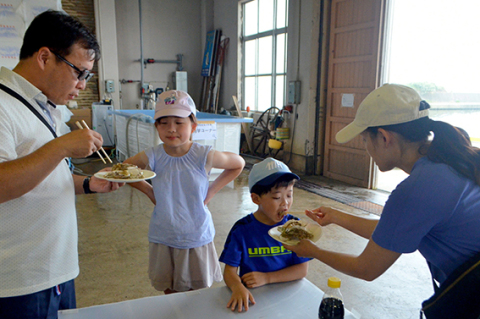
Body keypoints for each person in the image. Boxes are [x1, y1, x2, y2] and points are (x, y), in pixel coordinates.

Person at [285, 84, 480, 314]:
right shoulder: (446, 161)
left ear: (384, 137)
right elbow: (394, 230)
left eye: (365, 140)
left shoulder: (416, 190)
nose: (366, 148)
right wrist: (337, 216)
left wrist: (312, 251)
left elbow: (366, 268)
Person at [0, 10, 125, 319]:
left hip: (57, 269)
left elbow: (43, 175)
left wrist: (88, 184)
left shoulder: (46, 105)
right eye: (78, 72)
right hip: (19, 280)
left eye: (88, 76)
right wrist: (61, 147)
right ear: (44, 57)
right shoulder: (3, 105)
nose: (82, 85)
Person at [123, 90, 245, 294]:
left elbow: (238, 164)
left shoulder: (203, 155)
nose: (171, 129)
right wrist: (149, 191)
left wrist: (212, 191)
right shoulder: (153, 155)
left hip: (195, 234)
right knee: (169, 290)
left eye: (179, 122)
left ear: (193, 126)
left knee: (196, 291)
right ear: (156, 127)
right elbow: (126, 170)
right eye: (164, 122)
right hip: (164, 234)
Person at [219, 157, 311, 312]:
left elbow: (302, 270)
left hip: (287, 297)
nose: (285, 203)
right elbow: (229, 271)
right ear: (256, 198)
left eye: (289, 195)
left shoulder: (295, 227)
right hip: (255, 299)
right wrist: (237, 286)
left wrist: (267, 278)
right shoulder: (242, 230)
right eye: (277, 197)